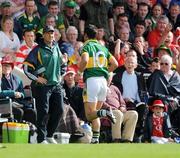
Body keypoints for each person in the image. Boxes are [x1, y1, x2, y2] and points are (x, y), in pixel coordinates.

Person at [23, 25, 66, 144]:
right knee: (43, 112)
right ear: (43, 35)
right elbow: (26, 67)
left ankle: (50, 135)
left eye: (52, 33)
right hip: (42, 86)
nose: (51, 35)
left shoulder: (56, 47)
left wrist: (61, 75)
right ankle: (41, 138)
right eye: (48, 33)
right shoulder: (37, 49)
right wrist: (37, 78)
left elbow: (63, 64)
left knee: (59, 110)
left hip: (56, 85)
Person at [78, 24, 118, 143]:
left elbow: (84, 60)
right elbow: (115, 63)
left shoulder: (87, 46)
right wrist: (105, 71)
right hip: (103, 82)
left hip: (92, 81)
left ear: (85, 35)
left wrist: (79, 72)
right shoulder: (103, 48)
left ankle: (106, 112)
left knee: (90, 115)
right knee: (95, 114)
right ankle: (95, 139)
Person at [102, 73, 138, 143]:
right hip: (106, 113)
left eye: (109, 77)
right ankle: (116, 139)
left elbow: (122, 101)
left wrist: (122, 107)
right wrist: (111, 108)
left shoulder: (115, 88)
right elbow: (99, 102)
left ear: (111, 78)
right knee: (117, 113)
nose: (107, 78)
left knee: (134, 114)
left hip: (119, 112)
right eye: (106, 76)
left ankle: (127, 140)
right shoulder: (100, 87)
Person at [0, 55, 36, 124]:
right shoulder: (0, 78)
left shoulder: (17, 79)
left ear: (11, 68)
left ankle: (30, 132)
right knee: (19, 111)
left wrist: (20, 95)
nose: (5, 68)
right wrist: (12, 93)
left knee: (31, 112)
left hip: (18, 102)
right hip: (4, 103)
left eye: (8, 66)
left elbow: (22, 93)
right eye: (3, 66)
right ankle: (15, 132)